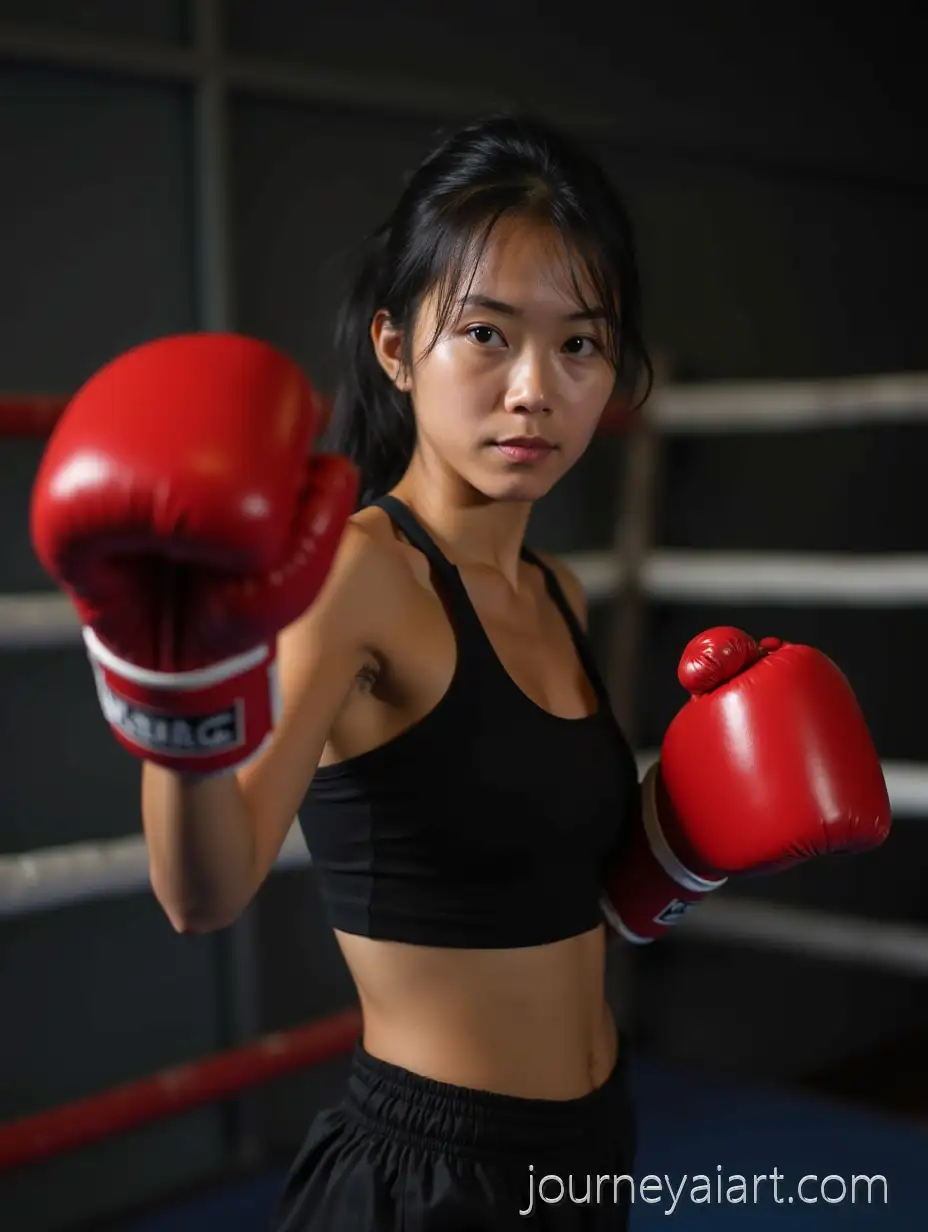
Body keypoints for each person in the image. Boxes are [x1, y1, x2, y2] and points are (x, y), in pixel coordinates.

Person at [29, 114, 891, 1230]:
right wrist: (176, 674)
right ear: (396, 346)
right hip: (427, 1177)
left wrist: (678, 840)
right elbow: (206, 889)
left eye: (579, 344)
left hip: (588, 1148)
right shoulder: (358, 575)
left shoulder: (558, 594)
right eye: (486, 333)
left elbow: (555, 894)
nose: (535, 387)